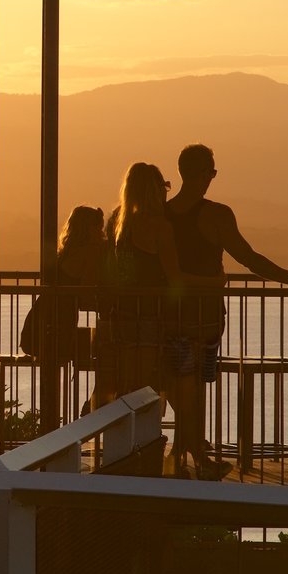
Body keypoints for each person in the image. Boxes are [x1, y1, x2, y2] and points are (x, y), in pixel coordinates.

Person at [165, 142, 288, 478]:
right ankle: (194, 455)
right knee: (194, 384)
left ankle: (183, 451)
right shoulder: (216, 214)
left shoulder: (161, 214)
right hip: (203, 316)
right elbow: (249, 260)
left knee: (179, 384)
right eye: (213, 171)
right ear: (207, 174)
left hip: (166, 313)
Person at [101, 163, 182, 420]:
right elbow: (174, 276)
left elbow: (111, 271)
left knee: (126, 380)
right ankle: (146, 440)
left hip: (121, 313)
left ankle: (124, 438)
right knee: (149, 381)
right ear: (154, 190)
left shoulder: (118, 223)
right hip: (151, 313)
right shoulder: (159, 227)